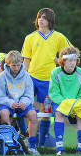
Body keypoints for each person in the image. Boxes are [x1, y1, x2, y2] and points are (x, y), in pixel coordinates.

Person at [21, 8, 72, 146]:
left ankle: (42, 142)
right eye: (39, 17)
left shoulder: (59, 37)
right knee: (23, 106)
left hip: (49, 80)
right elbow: (26, 60)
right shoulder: (30, 38)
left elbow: (71, 54)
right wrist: (23, 78)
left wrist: (58, 61)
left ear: (50, 20)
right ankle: (24, 136)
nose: (40, 20)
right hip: (31, 78)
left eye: (44, 18)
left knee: (46, 110)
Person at [0, 50, 40, 155]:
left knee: (33, 115)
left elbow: (29, 95)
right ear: (8, 64)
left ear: (21, 64)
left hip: (22, 103)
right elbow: (0, 97)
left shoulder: (26, 76)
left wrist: (24, 102)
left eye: (18, 65)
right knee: (4, 114)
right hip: (7, 103)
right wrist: (10, 103)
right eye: (13, 65)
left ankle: (32, 146)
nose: (16, 68)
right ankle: (9, 144)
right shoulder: (2, 76)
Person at [48, 46, 81, 156]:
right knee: (59, 113)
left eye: (74, 60)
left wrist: (75, 103)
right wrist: (66, 103)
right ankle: (60, 148)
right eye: (70, 60)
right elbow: (54, 93)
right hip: (60, 102)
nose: (72, 63)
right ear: (63, 60)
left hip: (76, 103)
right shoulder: (55, 73)